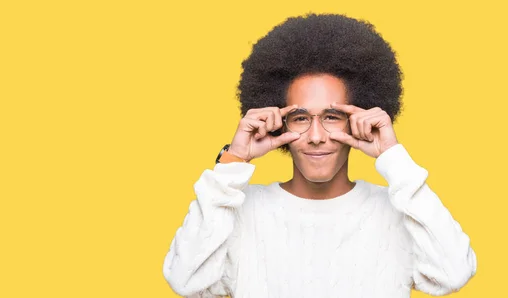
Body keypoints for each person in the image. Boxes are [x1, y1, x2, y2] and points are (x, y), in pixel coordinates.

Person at [162, 13, 476, 298]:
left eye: (331, 116)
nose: (315, 136)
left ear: (357, 120)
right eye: (300, 117)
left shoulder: (395, 211)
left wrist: (394, 158)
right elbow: (186, 280)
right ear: (278, 123)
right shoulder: (243, 211)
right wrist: (232, 163)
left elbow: (453, 273)